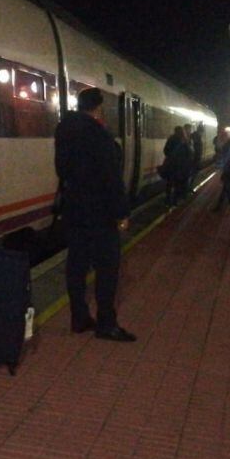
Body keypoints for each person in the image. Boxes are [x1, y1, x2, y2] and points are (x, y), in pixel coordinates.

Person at [54, 87, 136, 342]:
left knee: (76, 266)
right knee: (107, 268)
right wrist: (121, 213)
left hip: (74, 210)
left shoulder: (64, 131)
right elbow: (111, 178)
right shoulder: (99, 135)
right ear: (98, 108)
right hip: (100, 213)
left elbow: (61, 170)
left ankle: (79, 318)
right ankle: (106, 323)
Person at [161, 126, 193, 206]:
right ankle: (175, 201)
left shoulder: (171, 139)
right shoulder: (185, 140)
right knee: (177, 184)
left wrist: (171, 156)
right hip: (180, 167)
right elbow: (189, 154)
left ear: (175, 131)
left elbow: (165, 151)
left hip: (171, 165)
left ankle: (167, 199)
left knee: (169, 183)